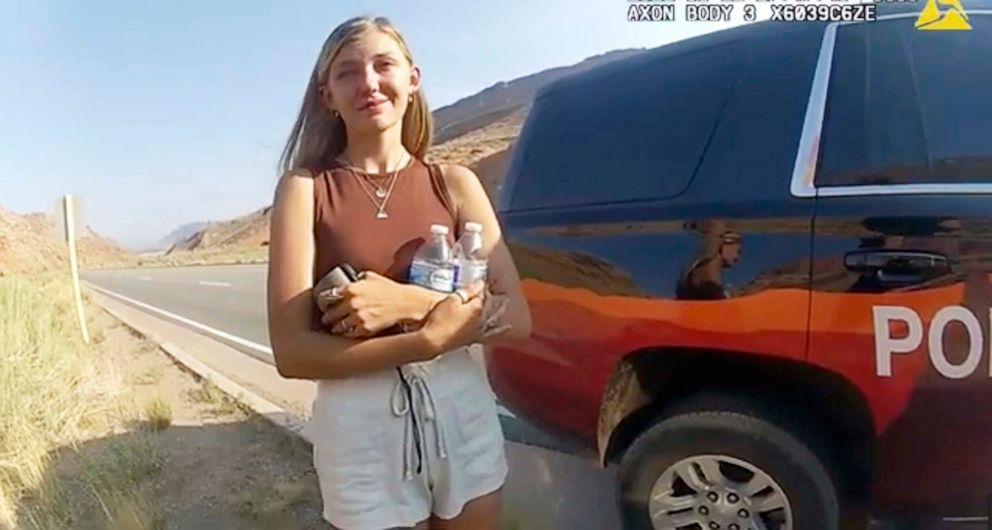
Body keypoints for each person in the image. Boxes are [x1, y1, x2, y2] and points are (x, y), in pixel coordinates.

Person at [265, 14, 532, 530]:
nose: (368, 82)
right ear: (327, 95)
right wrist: (424, 340)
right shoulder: (305, 189)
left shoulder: (454, 184)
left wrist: (410, 305)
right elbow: (292, 352)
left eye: (383, 64)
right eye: (347, 72)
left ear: (412, 78)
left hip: (463, 414)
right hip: (361, 431)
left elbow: (517, 315)